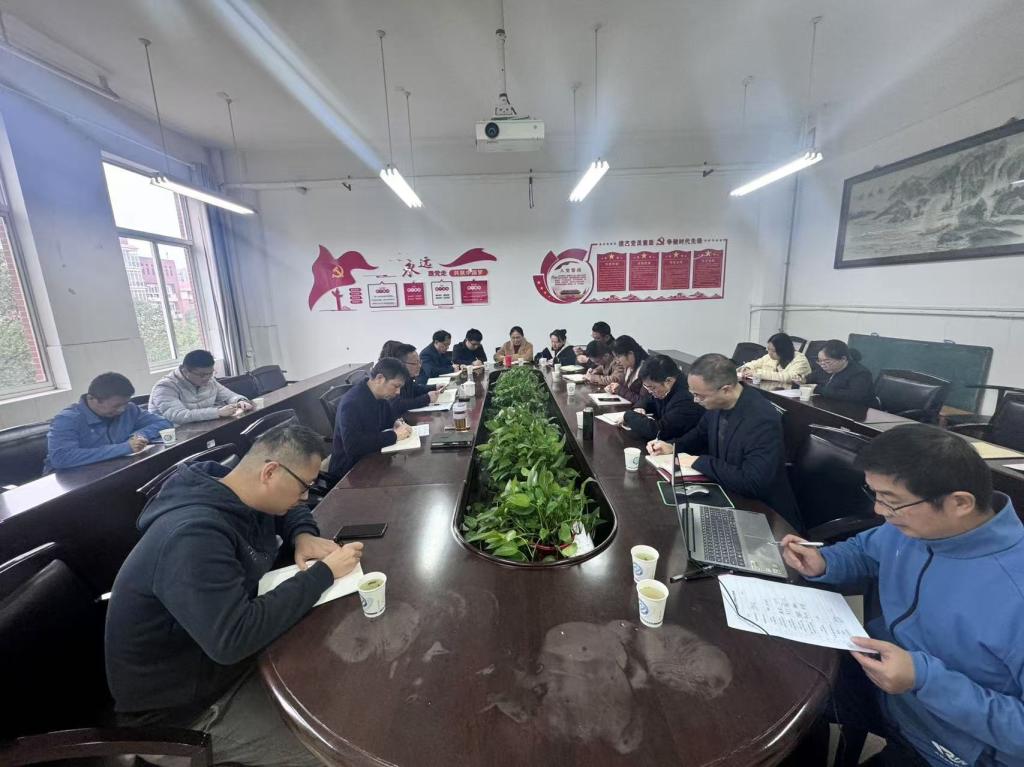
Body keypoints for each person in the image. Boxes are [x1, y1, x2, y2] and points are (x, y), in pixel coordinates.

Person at [105, 422, 363, 767]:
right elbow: (234, 638)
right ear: (270, 472)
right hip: (181, 716)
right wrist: (324, 573)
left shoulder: (236, 487)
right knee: (340, 747)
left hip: (223, 669)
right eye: (303, 486)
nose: (305, 497)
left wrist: (302, 533)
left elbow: (293, 509)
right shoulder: (192, 537)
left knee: (345, 680)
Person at [781, 424, 1024, 767]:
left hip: (951, 740)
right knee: (782, 688)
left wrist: (924, 679)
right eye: (875, 495)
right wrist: (824, 562)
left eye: (891, 501)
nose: (879, 511)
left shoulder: (1014, 591)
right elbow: (866, 551)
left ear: (959, 503)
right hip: (884, 679)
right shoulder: (916, 527)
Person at [647, 353, 801, 531]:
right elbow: (699, 434)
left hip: (767, 516)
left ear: (726, 390)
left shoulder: (761, 419)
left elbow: (753, 482)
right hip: (730, 493)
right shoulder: (718, 403)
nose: (696, 401)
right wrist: (672, 447)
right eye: (693, 394)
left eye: (700, 396)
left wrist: (700, 461)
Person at [44, 372, 172, 472]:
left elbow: (164, 423)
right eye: (116, 406)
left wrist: (139, 436)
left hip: (112, 470)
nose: (122, 410)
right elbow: (62, 458)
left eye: (125, 403)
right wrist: (124, 448)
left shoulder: (129, 409)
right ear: (92, 399)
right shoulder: (68, 419)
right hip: (69, 480)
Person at [329, 357, 414, 477]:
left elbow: (388, 420)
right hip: (349, 470)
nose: (398, 392)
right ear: (380, 379)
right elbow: (353, 446)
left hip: (370, 457)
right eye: (396, 386)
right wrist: (394, 435)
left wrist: (397, 423)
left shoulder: (380, 396)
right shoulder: (352, 403)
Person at [149, 349, 254, 424]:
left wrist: (240, 401)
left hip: (202, 428)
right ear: (185, 371)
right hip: (173, 436)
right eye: (202, 375)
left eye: (210, 373)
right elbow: (177, 415)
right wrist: (217, 412)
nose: (207, 378)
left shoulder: (210, 380)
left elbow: (229, 396)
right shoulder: (165, 387)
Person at [623, 354, 703, 441]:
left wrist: (628, 415)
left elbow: (658, 432)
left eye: (652, 388)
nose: (650, 391)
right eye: (646, 387)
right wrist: (640, 407)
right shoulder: (665, 387)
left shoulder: (685, 399)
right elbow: (648, 399)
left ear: (668, 381)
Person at [798, 339, 875, 405]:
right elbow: (810, 378)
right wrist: (803, 380)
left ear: (843, 359)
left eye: (827, 362)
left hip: (855, 411)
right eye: (820, 361)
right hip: (827, 406)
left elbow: (853, 396)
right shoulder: (824, 368)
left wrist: (818, 389)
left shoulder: (860, 373)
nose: (822, 365)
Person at [389, 343, 443, 417]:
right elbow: (398, 404)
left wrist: (434, 387)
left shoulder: (407, 376)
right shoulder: (392, 379)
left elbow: (415, 388)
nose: (420, 366)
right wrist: (427, 398)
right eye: (415, 363)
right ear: (402, 364)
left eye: (419, 362)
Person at [737, 333, 810, 384]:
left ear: (784, 350)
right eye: (768, 349)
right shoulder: (770, 356)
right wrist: (746, 368)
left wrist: (758, 373)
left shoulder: (800, 360)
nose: (770, 353)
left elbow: (788, 377)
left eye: (773, 351)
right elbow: (755, 363)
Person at [606, 335, 649, 404]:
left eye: (618, 357)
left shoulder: (647, 370)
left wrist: (619, 390)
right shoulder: (628, 366)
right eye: (615, 357)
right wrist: (613, 388)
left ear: (630, 354)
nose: (617, 361)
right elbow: (623, 388)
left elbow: (643, 401)